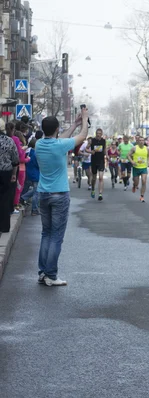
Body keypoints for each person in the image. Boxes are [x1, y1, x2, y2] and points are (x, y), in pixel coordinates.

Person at [36, 110, 89, 286]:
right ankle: (51, 274)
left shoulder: (39, 144)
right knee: (56, 236)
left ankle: (43, 272)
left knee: (46, 233)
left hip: (43, 194)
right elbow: (82, 136)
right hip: (59, 194)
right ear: (57, 129)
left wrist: (74, 124)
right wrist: (85, 119)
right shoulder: (59, 145)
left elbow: (61, 138)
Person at [0, 119, 19, 233]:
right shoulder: (9, 141)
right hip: (5, 172)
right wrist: (13, 174)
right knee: (5, 198)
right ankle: (4, 226)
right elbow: (15, 159)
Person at [20, 138, 40, 215]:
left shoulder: (28, 152)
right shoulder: (35, 154)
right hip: (35, 174)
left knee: (35, 190)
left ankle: (23, 197)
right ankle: (34, 209)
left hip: (28, 173)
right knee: (36, 192)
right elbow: (38, 165)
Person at [128, 135, 149, 202]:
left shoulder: (146, 149)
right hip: (136, 167)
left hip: (143, 167)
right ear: (138, 141)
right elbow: (128, 155)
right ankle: (134, 186)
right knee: (136, 182)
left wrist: (148, 162)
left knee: (144, 181)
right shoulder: (134, 148)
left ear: (144, 141)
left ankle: (142, 196)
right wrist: (132, 161)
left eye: (142, 140)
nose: (141, 142)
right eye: (140, 140)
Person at [90, 128, 106, 201]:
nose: (98, 135)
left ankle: (100, 194)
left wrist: (107, 155)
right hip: (94, 161)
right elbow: (86, 149)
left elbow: (105, 150)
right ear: (95, 134)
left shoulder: (103, 141)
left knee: (100, 177)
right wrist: (91, 152)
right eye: (97, 133)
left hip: (101, 161)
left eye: (100, 133)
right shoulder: (92, 140)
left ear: (101, 134)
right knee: (94, 178)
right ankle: (93, 188)